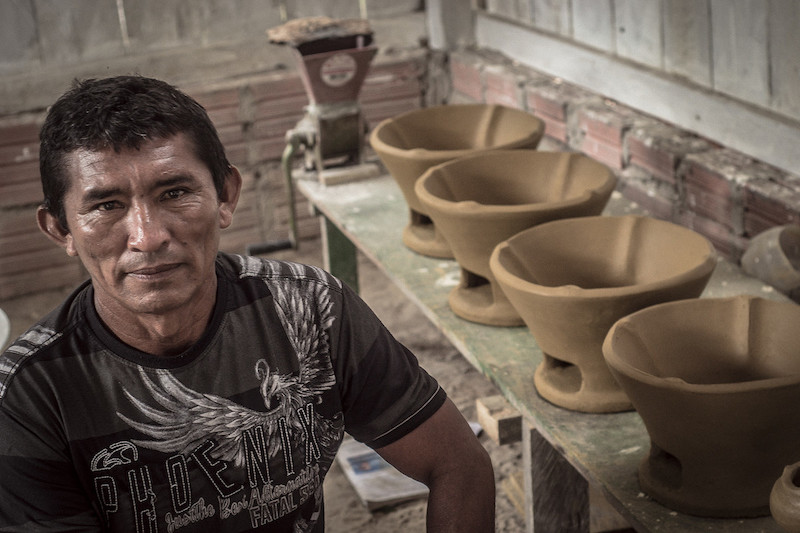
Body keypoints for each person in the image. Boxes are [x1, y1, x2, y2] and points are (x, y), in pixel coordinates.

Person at [0, 75, 495, 532]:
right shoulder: (29, 394)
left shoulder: (311, 308)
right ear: (60, 228)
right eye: (106, 206)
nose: (148, 238)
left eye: (175, 192)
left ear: (226, 196)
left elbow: (459, 464)